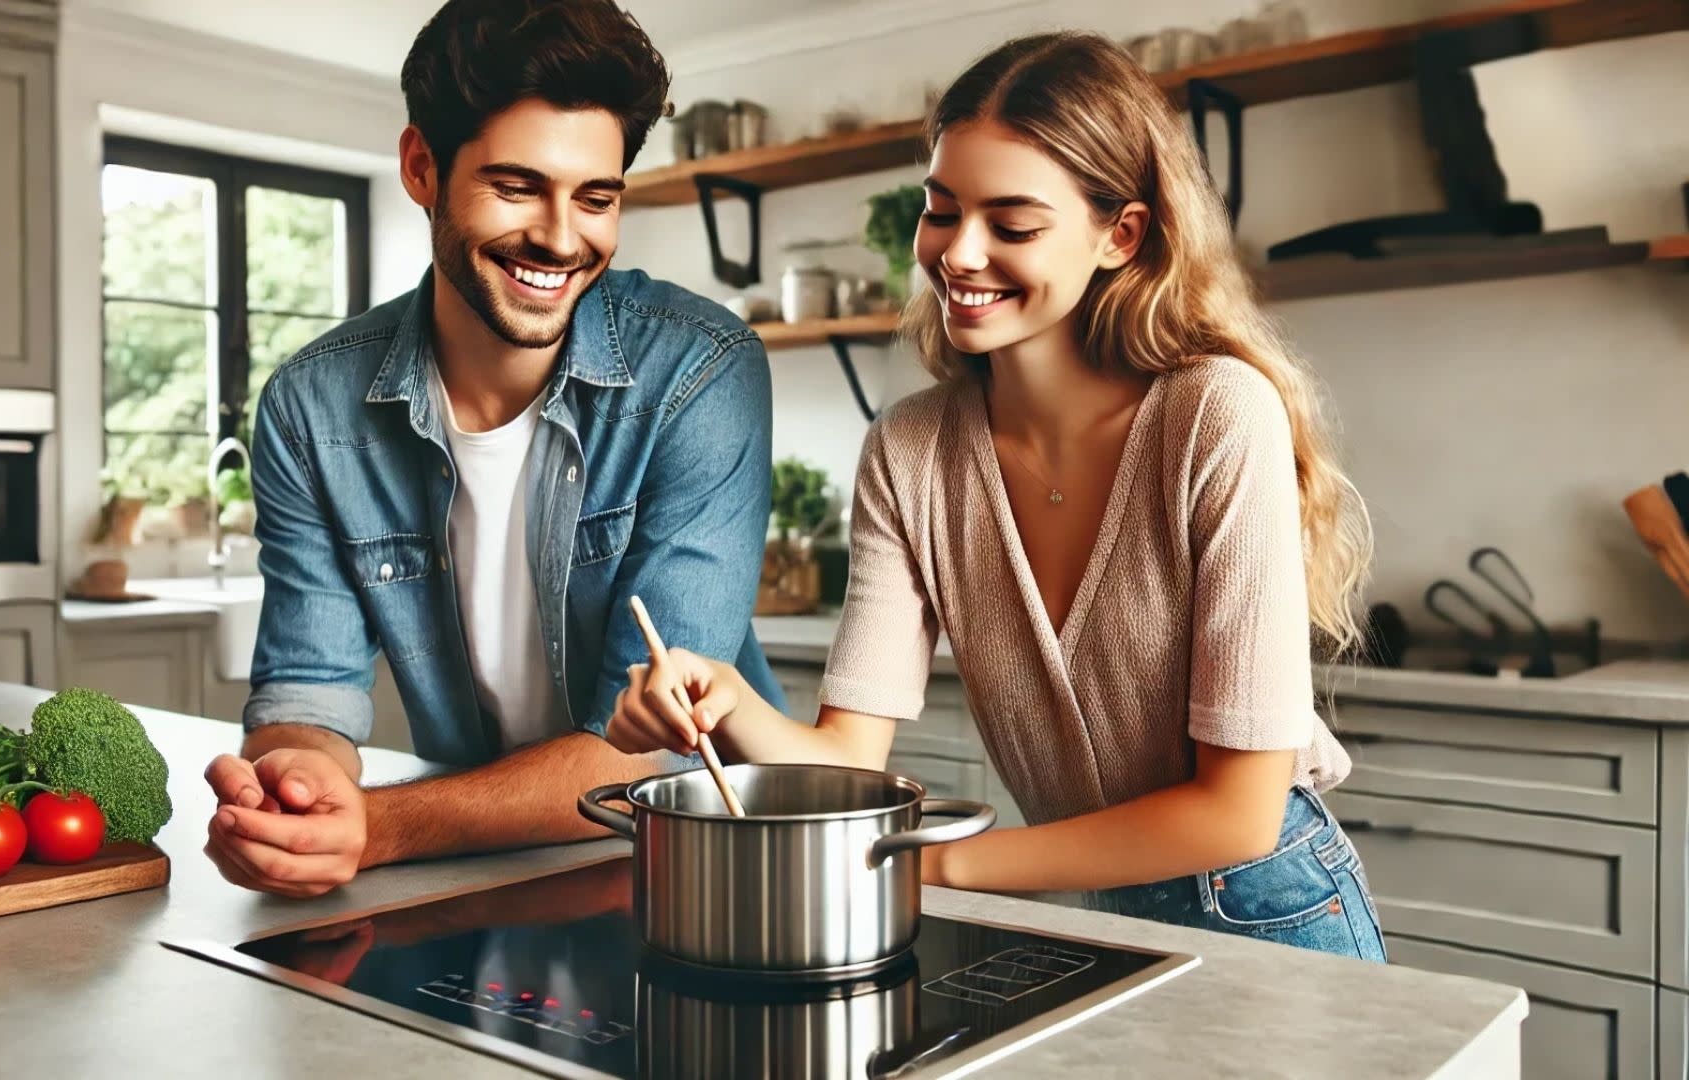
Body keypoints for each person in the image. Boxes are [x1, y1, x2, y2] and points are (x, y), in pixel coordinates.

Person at [609, 31, 1386, 961]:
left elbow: (1238, 815)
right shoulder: (911, 449)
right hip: (1089, 908)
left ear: (1120, 235)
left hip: (1272, 912)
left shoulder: (1214, 416)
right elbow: (850, 762)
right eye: (942, 212)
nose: (958, 255)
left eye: (1012, 225)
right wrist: (727, 699)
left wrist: (934, 867)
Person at [203, 0, 783, 898]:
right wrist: (297, 792)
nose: (560, 237)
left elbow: (656, 753)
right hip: (477, 878)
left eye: (596, 198)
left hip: (702, 873)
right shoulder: (311, 407)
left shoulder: (701, 371)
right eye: (517, 187)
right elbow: (306, 696)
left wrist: (381, 828)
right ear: (421, 167)